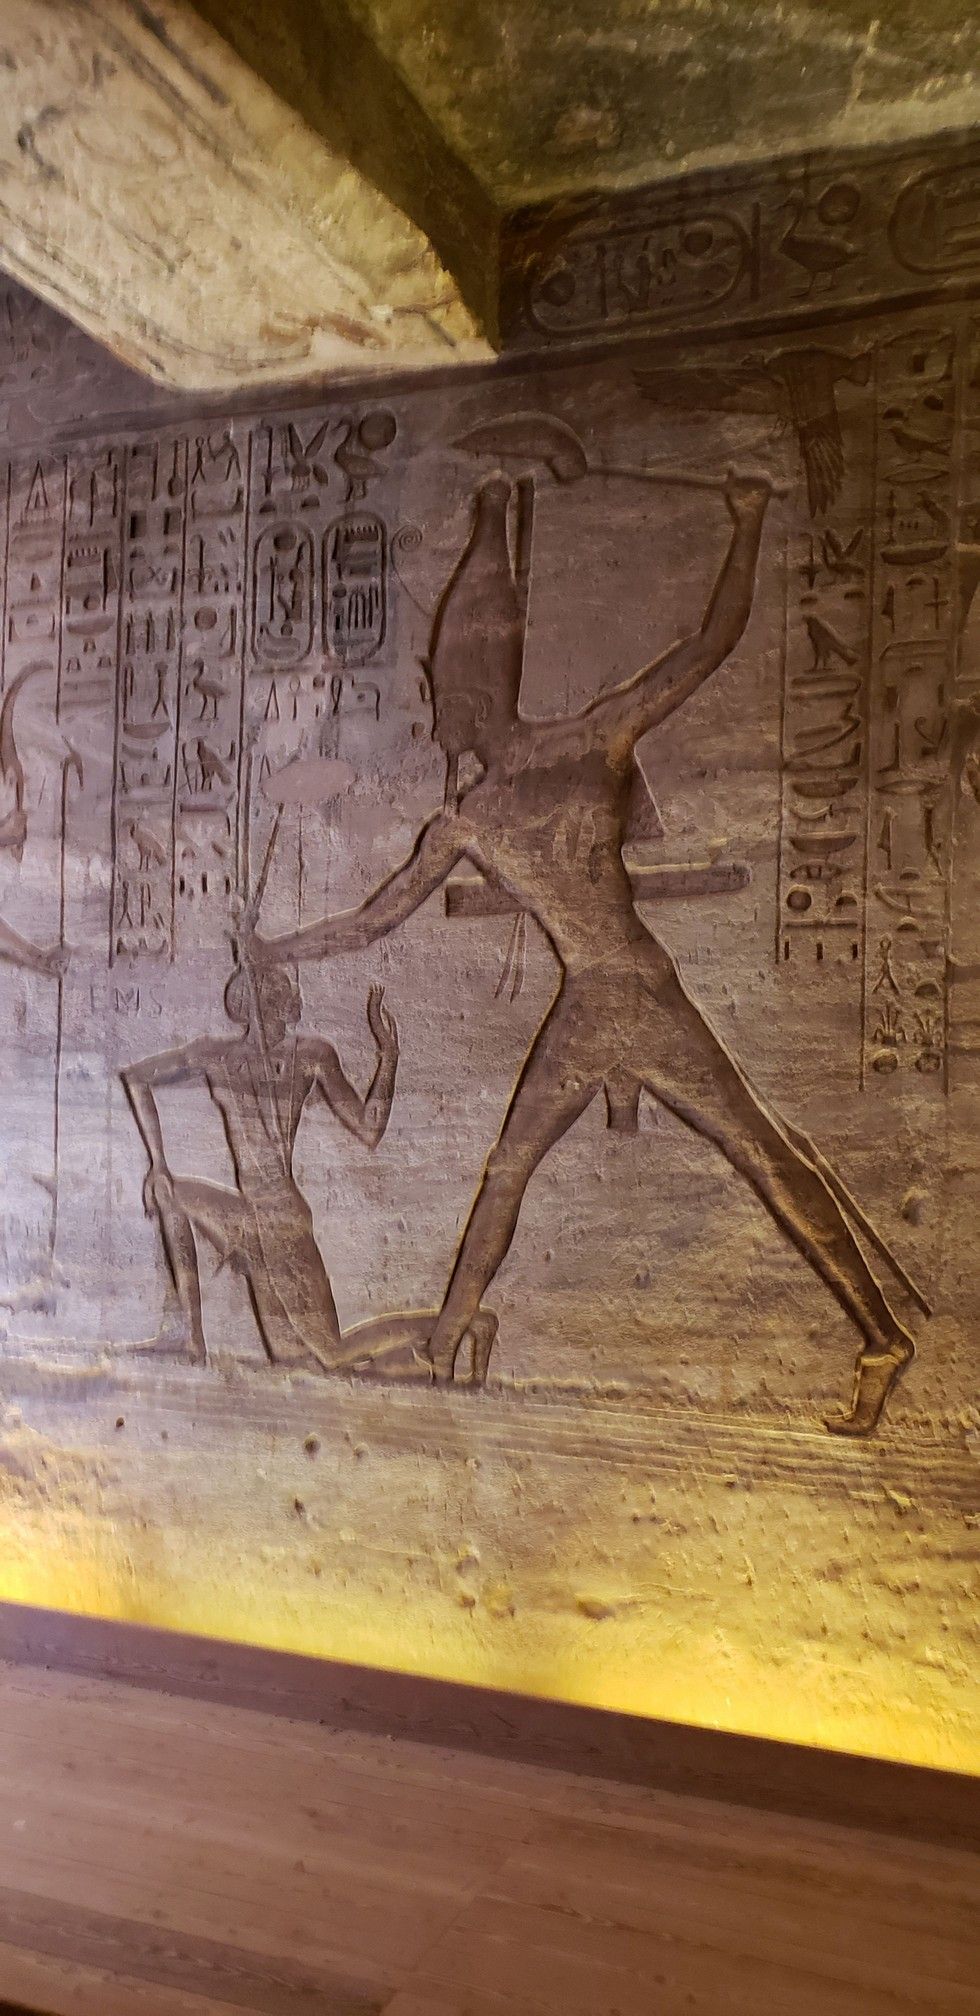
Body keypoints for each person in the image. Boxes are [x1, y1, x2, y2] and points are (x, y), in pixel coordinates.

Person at [252, 470, 916, 1434]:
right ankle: (445, 1339)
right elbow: (369, 921)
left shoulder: (520, 786)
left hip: (630, 993)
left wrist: (750, 519)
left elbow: (709, 646)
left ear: (472, 695)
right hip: (601, 996)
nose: (436, 721)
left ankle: (881, 1335)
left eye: (444, 699)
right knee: (520, 1168)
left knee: (750, 1159)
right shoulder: (507, 791)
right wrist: (274, 947)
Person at [122, 963, 399, 1369]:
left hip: (282, 1219)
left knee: (326, 1355)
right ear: (263, 1004)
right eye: (284, 992)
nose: (293, 999)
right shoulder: (219, 1054)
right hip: (247, 1218)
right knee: (169, 1195)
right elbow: (136, 1078)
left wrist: (388, 1055)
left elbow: (369, 1129)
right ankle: (187, 1337)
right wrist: (158, 1164)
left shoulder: (310, 1055)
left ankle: (442, 1332)